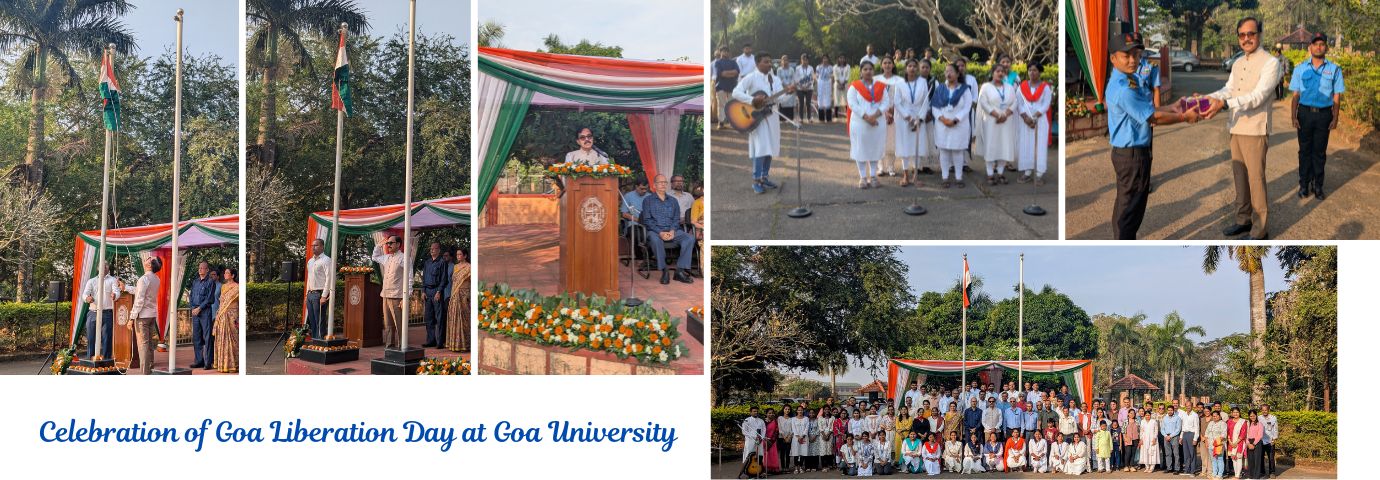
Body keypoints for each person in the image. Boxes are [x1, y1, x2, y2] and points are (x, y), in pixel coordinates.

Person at [1104, 31, 1201, 239]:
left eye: (1137, 55)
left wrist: (1173, 107)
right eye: (1126, 55)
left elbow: (1149, 109)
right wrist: (1185, 117)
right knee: (1129, 212)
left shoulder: (1126, 81)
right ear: (1113, 58)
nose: (1133, 60)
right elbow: (1153, 118)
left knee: (1125, 205)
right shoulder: (1124, 89)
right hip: (1132, 156)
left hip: (1129, 153)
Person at [1202, 17, 1281, 240]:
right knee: (1240, 177)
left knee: (1255, 180)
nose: (1246, 38)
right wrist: (1207, 99)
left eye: (1251, 34)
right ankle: (1243, 220)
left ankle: (1260, 230)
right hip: (1236, 127)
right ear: (1238, 37)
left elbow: (1258, 96)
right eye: (1242, 35)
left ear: (1260, 34)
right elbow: (1229, 89)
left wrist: (1224, 104)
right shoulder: (1237, 63)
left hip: (1255, 129)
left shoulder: (1270, 63)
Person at [1291, 33, 1345, 200]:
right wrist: (1293, 116)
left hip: (1323, 116)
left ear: (1326, 48)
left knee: (1319, 152)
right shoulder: (1300, 69)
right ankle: (1304, 185)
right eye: (1315, 44)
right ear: (1310, 47)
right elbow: (1295, 95)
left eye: (1322, 44)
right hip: (1305, 114)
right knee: (1304, 151)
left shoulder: (1334, 69)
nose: (1319, 47)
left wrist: (1335, 118)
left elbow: (1337, 96)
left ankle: (1318, 185)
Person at [732, 52, 792, 194]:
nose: (769, 64)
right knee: (761, 148)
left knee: (770, 147)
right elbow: (736, 92)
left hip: (772, 116)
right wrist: (752, 100)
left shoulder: (775, 79)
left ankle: (765, 177)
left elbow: (780, 99)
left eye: (770, 61)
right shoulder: (751, 77)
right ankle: (756, 181)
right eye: (766, 61)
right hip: (756, 118)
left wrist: (788, 92)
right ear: (757, 63)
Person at [639, 175, 694, 285]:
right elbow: (647, 220)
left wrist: (673, 231)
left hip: (672, 230)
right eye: (660, 182)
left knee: (689, 238)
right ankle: (664, 270)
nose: (663, 184)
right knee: (655, 240)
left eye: (665, 182)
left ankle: (680, 271)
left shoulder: (673, 201)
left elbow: (676, 218)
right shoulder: (648, 200)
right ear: (654, 185)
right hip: (655, 231)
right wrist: (660, 232)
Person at [847, 60, 890, 188]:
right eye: (865, 69)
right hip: (860, 123)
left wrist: (875, 116)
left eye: (870, 69)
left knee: (874, 149)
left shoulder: (880, 86)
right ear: (861, 72)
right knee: (860, 150)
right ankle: (862, 178)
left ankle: (873, 176)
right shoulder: (854, 86)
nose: (868, 71)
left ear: (874, 71)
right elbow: (852, 104)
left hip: (877, 122)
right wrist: (867, 117)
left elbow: (886, 102)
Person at [932, 62, 973, 188]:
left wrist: (955, 120)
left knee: (957, 151)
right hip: (942, 125)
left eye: (951, 71)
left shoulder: (964, 89)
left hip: (959, 125)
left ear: (957, 73)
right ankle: (945, 177)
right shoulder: (940, 88)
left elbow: (967, 107)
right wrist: (943, 120)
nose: (948, 73)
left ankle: (959, 177)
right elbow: (934, 106)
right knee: (944, 150)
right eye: (946, 71)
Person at [978, 64, 1017, 186]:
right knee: (991, 146)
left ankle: (1000, 172)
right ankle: (990, 173)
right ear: (992, 72)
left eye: (1002, 71)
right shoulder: (986, 87)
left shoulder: (1009, 87)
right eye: (997, 71)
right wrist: (997, 115)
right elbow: (983, 102)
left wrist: (1005, 115)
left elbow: (1015, 102)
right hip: (991, 121)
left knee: (1004, 146)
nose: (1000, 73)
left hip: (1006, 121)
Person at [894, 58, 931, 187]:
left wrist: (919, 119)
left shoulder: (923, 82)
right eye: (909, 66)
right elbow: (897, 102)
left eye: (915, 66)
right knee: (904, 146)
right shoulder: (899, 83)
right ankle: (905, 175)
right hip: (904, 119)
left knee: (918, 146)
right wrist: (909, 118)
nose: (912, 68)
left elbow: (925, 101)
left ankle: (916, 175)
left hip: (919, 118)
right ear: (906, 69)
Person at [122, 257, 160, 374]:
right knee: (149, 344)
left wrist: (131, 318)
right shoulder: (156, 279)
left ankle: (144, 373)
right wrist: (126, 288)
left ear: (149, 265)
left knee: (143, 345)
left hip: (142, 316)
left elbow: (139, 300)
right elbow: (140, 291)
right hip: (152, 314)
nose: (146, 259)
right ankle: (150, 368)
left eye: (148, 259)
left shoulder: (144, 279)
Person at [1017, 62, 1052, 185]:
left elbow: (1046, 105)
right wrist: (1026, 118)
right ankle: (1027, 172)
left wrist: (1034, 117)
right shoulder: (1022, 87)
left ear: (1040, 72)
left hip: (1040, 121)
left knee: (1039, 146)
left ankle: (1039, 174)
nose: (1032, 72)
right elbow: (1019, 103)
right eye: (1030, 70)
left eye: (1035, 70)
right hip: (1025, 121)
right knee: (1026, 146)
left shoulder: (1045, 87)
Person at [371, 234, 406, 349]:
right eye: (388, 243)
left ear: (398, 244)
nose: (388, 245)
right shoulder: (387, 257)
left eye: (391, 243)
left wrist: (405, 297)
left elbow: (409, 278)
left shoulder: (404, 258)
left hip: (397, 295)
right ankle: (390, 346)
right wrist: (378, 246)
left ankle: (402, 346)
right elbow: (374, 257)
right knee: (388, 324)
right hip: (385, 294)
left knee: (399, 323)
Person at [420, 242, 449, 349]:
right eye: (431, 248)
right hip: (427, 292)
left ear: (438, 250)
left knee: (439, 318)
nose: (432, 250)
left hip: (437, 291)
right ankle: (431, 340)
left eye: (434, 248)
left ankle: (440, 342)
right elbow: (424, 278)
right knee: (429, 318)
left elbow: (444, 279)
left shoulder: (442, 262)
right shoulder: (427, 263)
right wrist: (423, 291)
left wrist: (439, 292)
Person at [188, 261, 216, 369]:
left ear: (207, 270)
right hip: (195, 312)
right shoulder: (195, 282)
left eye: (203, 268)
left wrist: (200, 308)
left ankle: (207, 362)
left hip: (205, 312)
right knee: (196, 337)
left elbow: (210, 298)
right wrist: (193, 308)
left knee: (207, 337)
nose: (200, 270)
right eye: (199, 268)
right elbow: (191, 296)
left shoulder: (210, 282)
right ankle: (199, 360)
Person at [877, 56, 902, 177]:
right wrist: (885, 112)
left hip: (895, 113)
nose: (887, 65)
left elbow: (901, 98)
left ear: (893, 65)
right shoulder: (877, 80)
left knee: (892, 141)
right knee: (880, 140)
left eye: (889, 63)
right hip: (880, 113)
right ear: (881, 65)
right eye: (885, 63)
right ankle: (881, 167)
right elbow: (875, 98)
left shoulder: (899, 80)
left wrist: (892, 111)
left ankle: (891, 166)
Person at [212, 267, 239, 373]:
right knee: (222, 339)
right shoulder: (223, 287)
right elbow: (222, 302)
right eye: (225, 273)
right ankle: (223, 364)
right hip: (222, 315)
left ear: (233, 275)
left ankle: (234, 364)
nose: (225, 274)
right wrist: (219, 314)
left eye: (227, 273)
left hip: (232, 315)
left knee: (233, 339)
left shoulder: (238, 287)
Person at [304, 238, 332, 339]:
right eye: (312, 245)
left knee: (319, 320)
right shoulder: (310, 261)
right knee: (312, 321)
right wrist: (307, 294)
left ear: (322, 247)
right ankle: (315, 342)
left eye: (316, 245)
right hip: (311, 294)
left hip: (319, 294)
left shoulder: (326, 260)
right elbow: (309, 278)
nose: (313, 247)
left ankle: (320, 342)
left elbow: (329, 279)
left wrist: (324, 296)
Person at [445, 248, 470, 352]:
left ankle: (466, 344)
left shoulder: (470, 267)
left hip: (464, 295)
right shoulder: (455, 267)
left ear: (465, 256)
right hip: (454, 295)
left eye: (460, 254)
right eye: (457, 255)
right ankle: (454, 344)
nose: (458, 256)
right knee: (454, 318)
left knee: (464, 319)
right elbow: (453, 282)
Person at [712, 47, 740, 129]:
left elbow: (737, 72)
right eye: (724, 51)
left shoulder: (733, 62)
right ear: (720, 52)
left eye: (727, 51)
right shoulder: (717, 62)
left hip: (732, 86)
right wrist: (732, 73)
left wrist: (726, 73)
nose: (726, 53)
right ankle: (721, 122)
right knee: (721, 105)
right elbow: (721, 73)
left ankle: (732, 122)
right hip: (720, 86)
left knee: (732, 105)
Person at [1206, 410, 1227, 479]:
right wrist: (1207, 442)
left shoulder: (1223, 423)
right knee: (1213, 459)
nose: (1214, 417)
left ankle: (1220, 475)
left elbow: (1224, 434)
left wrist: (1217, 442)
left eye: (1216, 416)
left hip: (1219, 445)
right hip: (1210, 445)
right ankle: (1214, 473)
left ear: (1219, 416)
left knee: (1220, 459)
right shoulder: (1210, 423)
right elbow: (1207, 433)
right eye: (1213, 416)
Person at [1140, 405, 1161, 471]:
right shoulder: (1142, 421)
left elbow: (1156, 430)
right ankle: (1147, 467)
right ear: (1144, 415)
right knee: (1145, 452)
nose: (1147, 416)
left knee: (1152, 452)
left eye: (1148, 415)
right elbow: (1141, 431)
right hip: (1145, 439)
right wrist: (1141, 439)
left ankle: (1152, 467)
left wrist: (1154, 438)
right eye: (1146, 415)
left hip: (1152, 439)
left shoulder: (1154, 421)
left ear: (1150, 415)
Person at [1163, 404, 1183, 473]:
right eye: (1168, 410)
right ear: (1167, 411)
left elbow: (1178, 429)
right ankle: (1169, 468)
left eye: (1171, 410)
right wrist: (1166, 435)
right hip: (1166, 437)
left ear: (1173, 410)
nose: (1170, 411)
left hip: (1174, 437)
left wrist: (1170, 436)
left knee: (1176, 454)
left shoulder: (1178, 418)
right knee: (1168, 453)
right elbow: (1162, 429)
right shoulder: (1165, 418)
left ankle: (1177, 469)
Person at [796, 53, 816, 123]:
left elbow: (813, 78)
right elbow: (796, 78)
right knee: (801, 103)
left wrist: (808, 86)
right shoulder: (798, 68)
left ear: (808, 60)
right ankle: (801, 118)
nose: (805, 61)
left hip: (809, 88)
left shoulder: (811, 68)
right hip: (800, 88)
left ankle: (809, 118)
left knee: (808, 103)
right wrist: (802, 86)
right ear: (801, 60)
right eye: (803, 60)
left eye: (806, 60)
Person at [1183, 402, 1201, 475]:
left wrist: (1195, 439)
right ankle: (1187, 469)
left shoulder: (1195, 415)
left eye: (1189, 406)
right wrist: (1181, 437)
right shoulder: (1184, 414)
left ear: (1192, 406)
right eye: (1186, 406)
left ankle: (1193, 471)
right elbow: (1183, 426)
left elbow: (1197, 427)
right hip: (1185, 434)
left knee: (1192, 453)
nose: (1188, 407)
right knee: (1186, 454)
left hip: (1192, 434)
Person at [1259, 404, 1278, 477]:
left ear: (1268, 410)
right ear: (1261, 410)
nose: (1264, 411)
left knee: (1271, 458)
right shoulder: (1259, 418)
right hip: (1261, 440)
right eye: (1263, 410)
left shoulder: (1273, 418)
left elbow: (1275, 429)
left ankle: (1272, 472)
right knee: (1261, 457)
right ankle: (1262, 472)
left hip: (1270, 441)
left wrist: (1274, 439)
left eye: (1265, 410)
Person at [815, 55, 834, 122]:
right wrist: (817, 87)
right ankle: (821, 118)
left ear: (828, 59)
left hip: (828, 85)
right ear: (822, 59)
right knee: (820, 101)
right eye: (824, 58)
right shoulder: (818, 67)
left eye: (826, 58)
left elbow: (832, 78)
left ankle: (829, 118)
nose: (825, 60)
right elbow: (816, 77)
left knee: (828, 100)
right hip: (820, 85)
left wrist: (832, 87)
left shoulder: (831, 67)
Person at [1246, 411, 1265, 478]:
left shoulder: (1260, 424)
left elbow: (1260, 435)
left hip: (1257, 442)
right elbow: (1246, 435)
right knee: (1250, 460)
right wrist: (1248, 443)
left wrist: (1253, 444)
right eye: (1251, 416)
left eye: (1253, 415)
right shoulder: (1248, 424)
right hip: (1249, 442)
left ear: (1256, 415)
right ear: (1249, 416)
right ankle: (1251, 476)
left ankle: (1256, 477)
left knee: (1257, 460)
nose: (1252, 417)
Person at [834, 56, 851, 120]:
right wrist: (839, 84)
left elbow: (848, 75)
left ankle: (848, 116)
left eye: (843, 58)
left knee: (846, 99)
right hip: (837, 84)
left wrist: (843, 84)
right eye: (840, 58)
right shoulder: (835, 67)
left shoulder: (848, 66)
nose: (842, 59)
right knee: (837, 99)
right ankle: (836, 117)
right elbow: (835, 75)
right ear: (838, 59)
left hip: (845, 84)